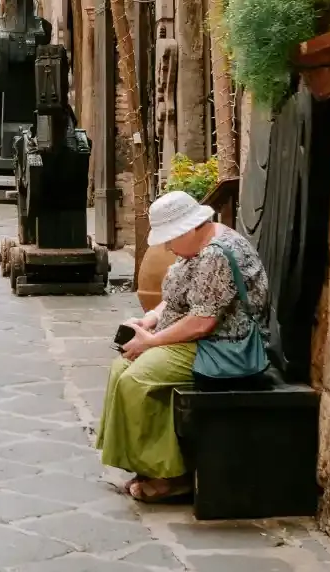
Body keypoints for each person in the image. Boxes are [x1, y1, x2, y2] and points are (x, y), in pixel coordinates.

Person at [95, 190, 270, 503]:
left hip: (221, 347)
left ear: (190, 228)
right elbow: (178, 299)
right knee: (121, 367)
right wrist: (150, 320)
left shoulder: (216, 254)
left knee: (137, 378)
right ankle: (147, 465)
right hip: (197, 340)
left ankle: (170, 478)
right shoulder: (196, 249)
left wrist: (152, 342)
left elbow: (202, 322)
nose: (167, 246)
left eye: (170, 239)